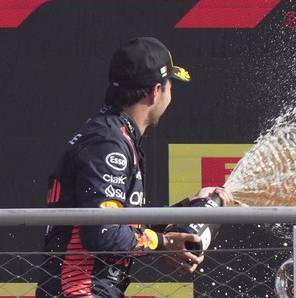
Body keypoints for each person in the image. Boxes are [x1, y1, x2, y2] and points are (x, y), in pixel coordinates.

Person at [35, 36, 233, 298]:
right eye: (170, 84)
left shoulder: (113, 135)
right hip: (79, 291)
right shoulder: (107, 143)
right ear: (156, 91)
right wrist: (163, 243)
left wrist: (186, 208)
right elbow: (103, 232)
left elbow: (119, 221)